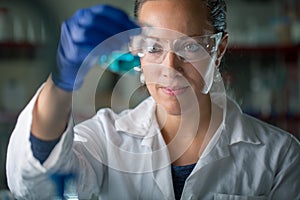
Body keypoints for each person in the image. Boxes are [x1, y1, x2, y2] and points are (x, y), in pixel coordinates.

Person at [6, 0, 300, 199]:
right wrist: (61, 81)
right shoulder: (105, 137)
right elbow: (34, 187)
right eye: (154, 47)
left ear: (219, 49)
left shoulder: (280, 156)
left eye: (190, 46)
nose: (170, 68)